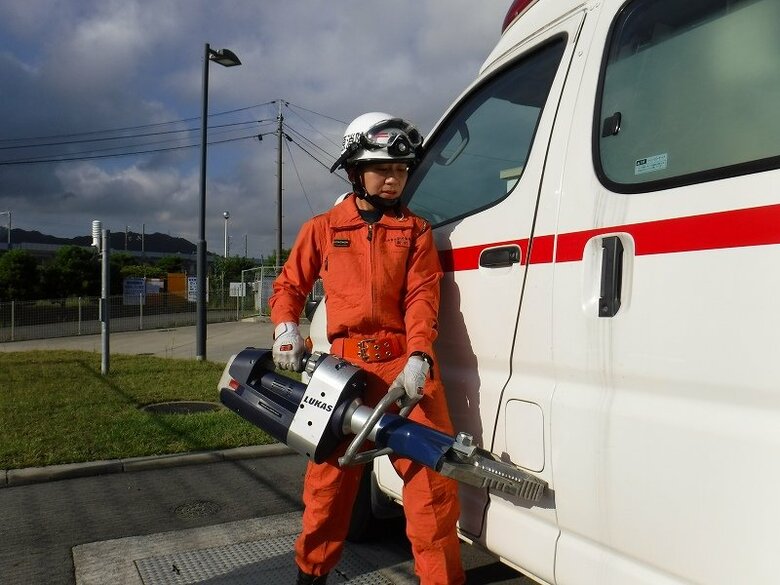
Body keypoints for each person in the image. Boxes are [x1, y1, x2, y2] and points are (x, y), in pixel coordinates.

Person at [269, 112, 464, 585]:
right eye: (383, 168)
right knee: (329, 490)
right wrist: (285, 331)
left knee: (432, 489)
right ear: (355, 169)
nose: (395, 178)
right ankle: (310, 576)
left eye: (401, 169)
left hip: (405, 368)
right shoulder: (322, 228)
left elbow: (421, 296)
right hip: (342, 370)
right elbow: (289, 286)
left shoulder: (415, 232)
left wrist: (420, 353)